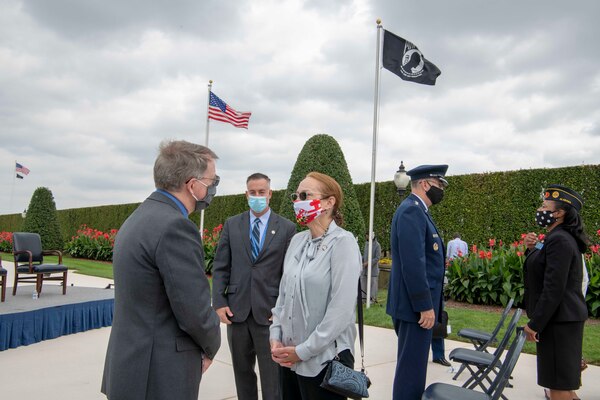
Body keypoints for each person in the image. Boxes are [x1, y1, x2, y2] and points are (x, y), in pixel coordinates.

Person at [101, 140, 221, 400]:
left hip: (132, 365)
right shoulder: (175, 227)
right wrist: (211, 344)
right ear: (193, 185)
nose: (212, 188)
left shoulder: (139, 217)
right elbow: (194, 310)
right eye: (211, 181)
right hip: (158, 372)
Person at [270, 172, 362, 399]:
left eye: (305, 195)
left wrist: (303, 351)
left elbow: (340, 312)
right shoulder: (297, 241)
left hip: (325, 361)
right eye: (296, 195)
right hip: (288, 359)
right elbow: (283, 296)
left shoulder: (344, 243)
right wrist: (275, 335)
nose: (298, 201)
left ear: (329, 202)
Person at [212, 173, 296, 400]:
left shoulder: (287, 228)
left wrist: (282, 309)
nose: (257, 196)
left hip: (269, 315)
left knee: (272, 377)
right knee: (242, 373)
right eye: (252, 192)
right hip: (236, 314)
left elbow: (290, 275)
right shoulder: (232, 224)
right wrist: (219, 303)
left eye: (261, 192)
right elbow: (221, 266)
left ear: (270, 194)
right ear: (246, 194)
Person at [386, 164, 448, 400]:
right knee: (410, 373)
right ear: (425, 184)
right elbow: (414, 263)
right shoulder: (412, 211)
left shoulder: (418, 211)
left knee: (413, 369)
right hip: (415, 310)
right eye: (439, 184)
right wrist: (424, 305)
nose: (441, 189)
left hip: (415, 308)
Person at [523, 184, 589, 400]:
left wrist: (535, 324)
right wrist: (531, 250)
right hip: (561, 321)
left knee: (558, 387)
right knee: (564, 384)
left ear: (559, 213)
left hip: (558, 322)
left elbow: (554, 288)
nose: (540, 210)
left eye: (544, 206)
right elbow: (542, 269)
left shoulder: (559, 239)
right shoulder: (557, 237)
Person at [360, 232, 381, 303]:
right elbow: (364, 255)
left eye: (367, 236)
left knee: (373, 285)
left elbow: (377, 258)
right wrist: (361, 260)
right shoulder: (366, 244)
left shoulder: (377, 245)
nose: (366, 237)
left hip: (373, 270)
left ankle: (372, 299)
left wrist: (368, 263)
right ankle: (363, 299)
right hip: (365, 269)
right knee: (363, 284)